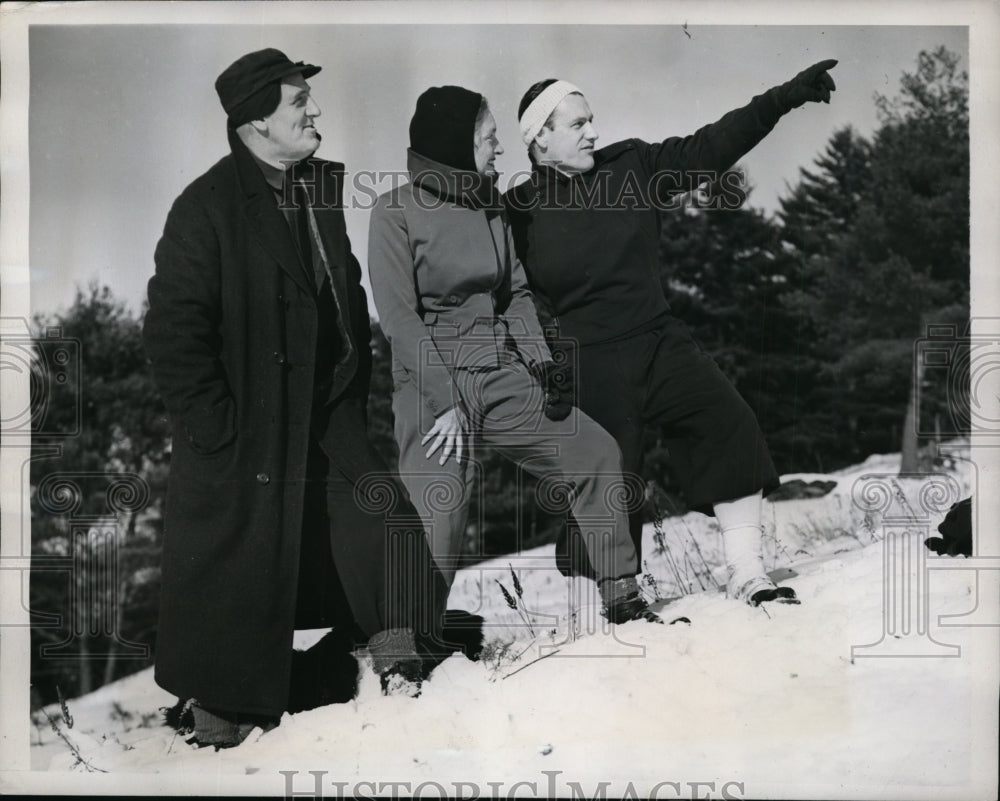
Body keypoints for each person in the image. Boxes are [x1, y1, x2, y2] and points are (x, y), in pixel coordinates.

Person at [143, 48, 447, 748]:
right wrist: (219, 427)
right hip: (248, 431)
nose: (314, 113)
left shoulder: (318, 188)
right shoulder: (205, 209)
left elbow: (342, 293)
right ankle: (223, 708)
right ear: (255, 125)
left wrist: (350, 386)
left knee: (384, 521)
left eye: (309, 99)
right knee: (240, 569)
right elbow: (173, 330)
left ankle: (396, 661)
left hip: (327, 415)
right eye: (297, 104)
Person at [506, 61, 839, 606]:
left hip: (658, 339)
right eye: (577, 124)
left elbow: (708, 148)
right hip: (588, 361)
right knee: (608, 480)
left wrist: (780, 99)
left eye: (592, 120)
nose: (593, 131)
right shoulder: (517, 211)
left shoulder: (632, 164)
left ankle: (748, 571)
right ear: (540, 138)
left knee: (727, 421)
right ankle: (615, 602)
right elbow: (501, 291)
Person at [367, 85, 659, 628]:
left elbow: (515, 295)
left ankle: (622, 594)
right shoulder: (394, 212)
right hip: (433, 382)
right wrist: (446, 399)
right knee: (440, 509)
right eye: (488, 139)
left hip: (500, 372)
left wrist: (542, 362)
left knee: (593, 450)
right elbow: (399, 319)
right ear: (455, 145)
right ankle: (408, 644)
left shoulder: (489, 204)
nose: (498, 150)